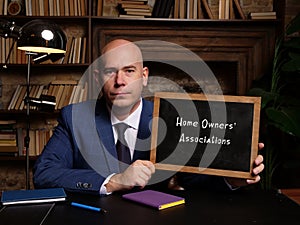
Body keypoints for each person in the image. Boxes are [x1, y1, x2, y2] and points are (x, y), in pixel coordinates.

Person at [33, 39, 264, 195]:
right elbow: (44, 173)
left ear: (144, 76)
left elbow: (191, 178)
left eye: (129, 71)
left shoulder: (170, 118)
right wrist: (114, 181)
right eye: (110, 72)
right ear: (97, 78)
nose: (120, 81)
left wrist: (231, 179)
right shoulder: (75, 117)